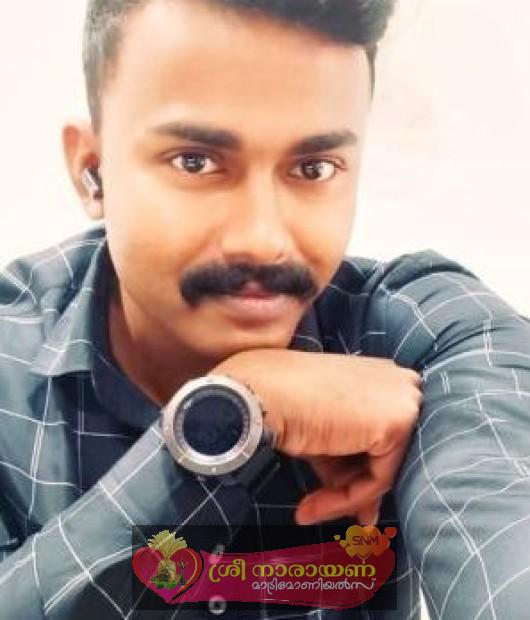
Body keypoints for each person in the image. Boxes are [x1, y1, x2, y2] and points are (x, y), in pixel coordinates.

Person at [0, 0, 528, 618]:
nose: (262, 239)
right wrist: (224, 419)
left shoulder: (437, 336)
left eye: (313, 168)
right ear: (92, 170)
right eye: (196, 161)